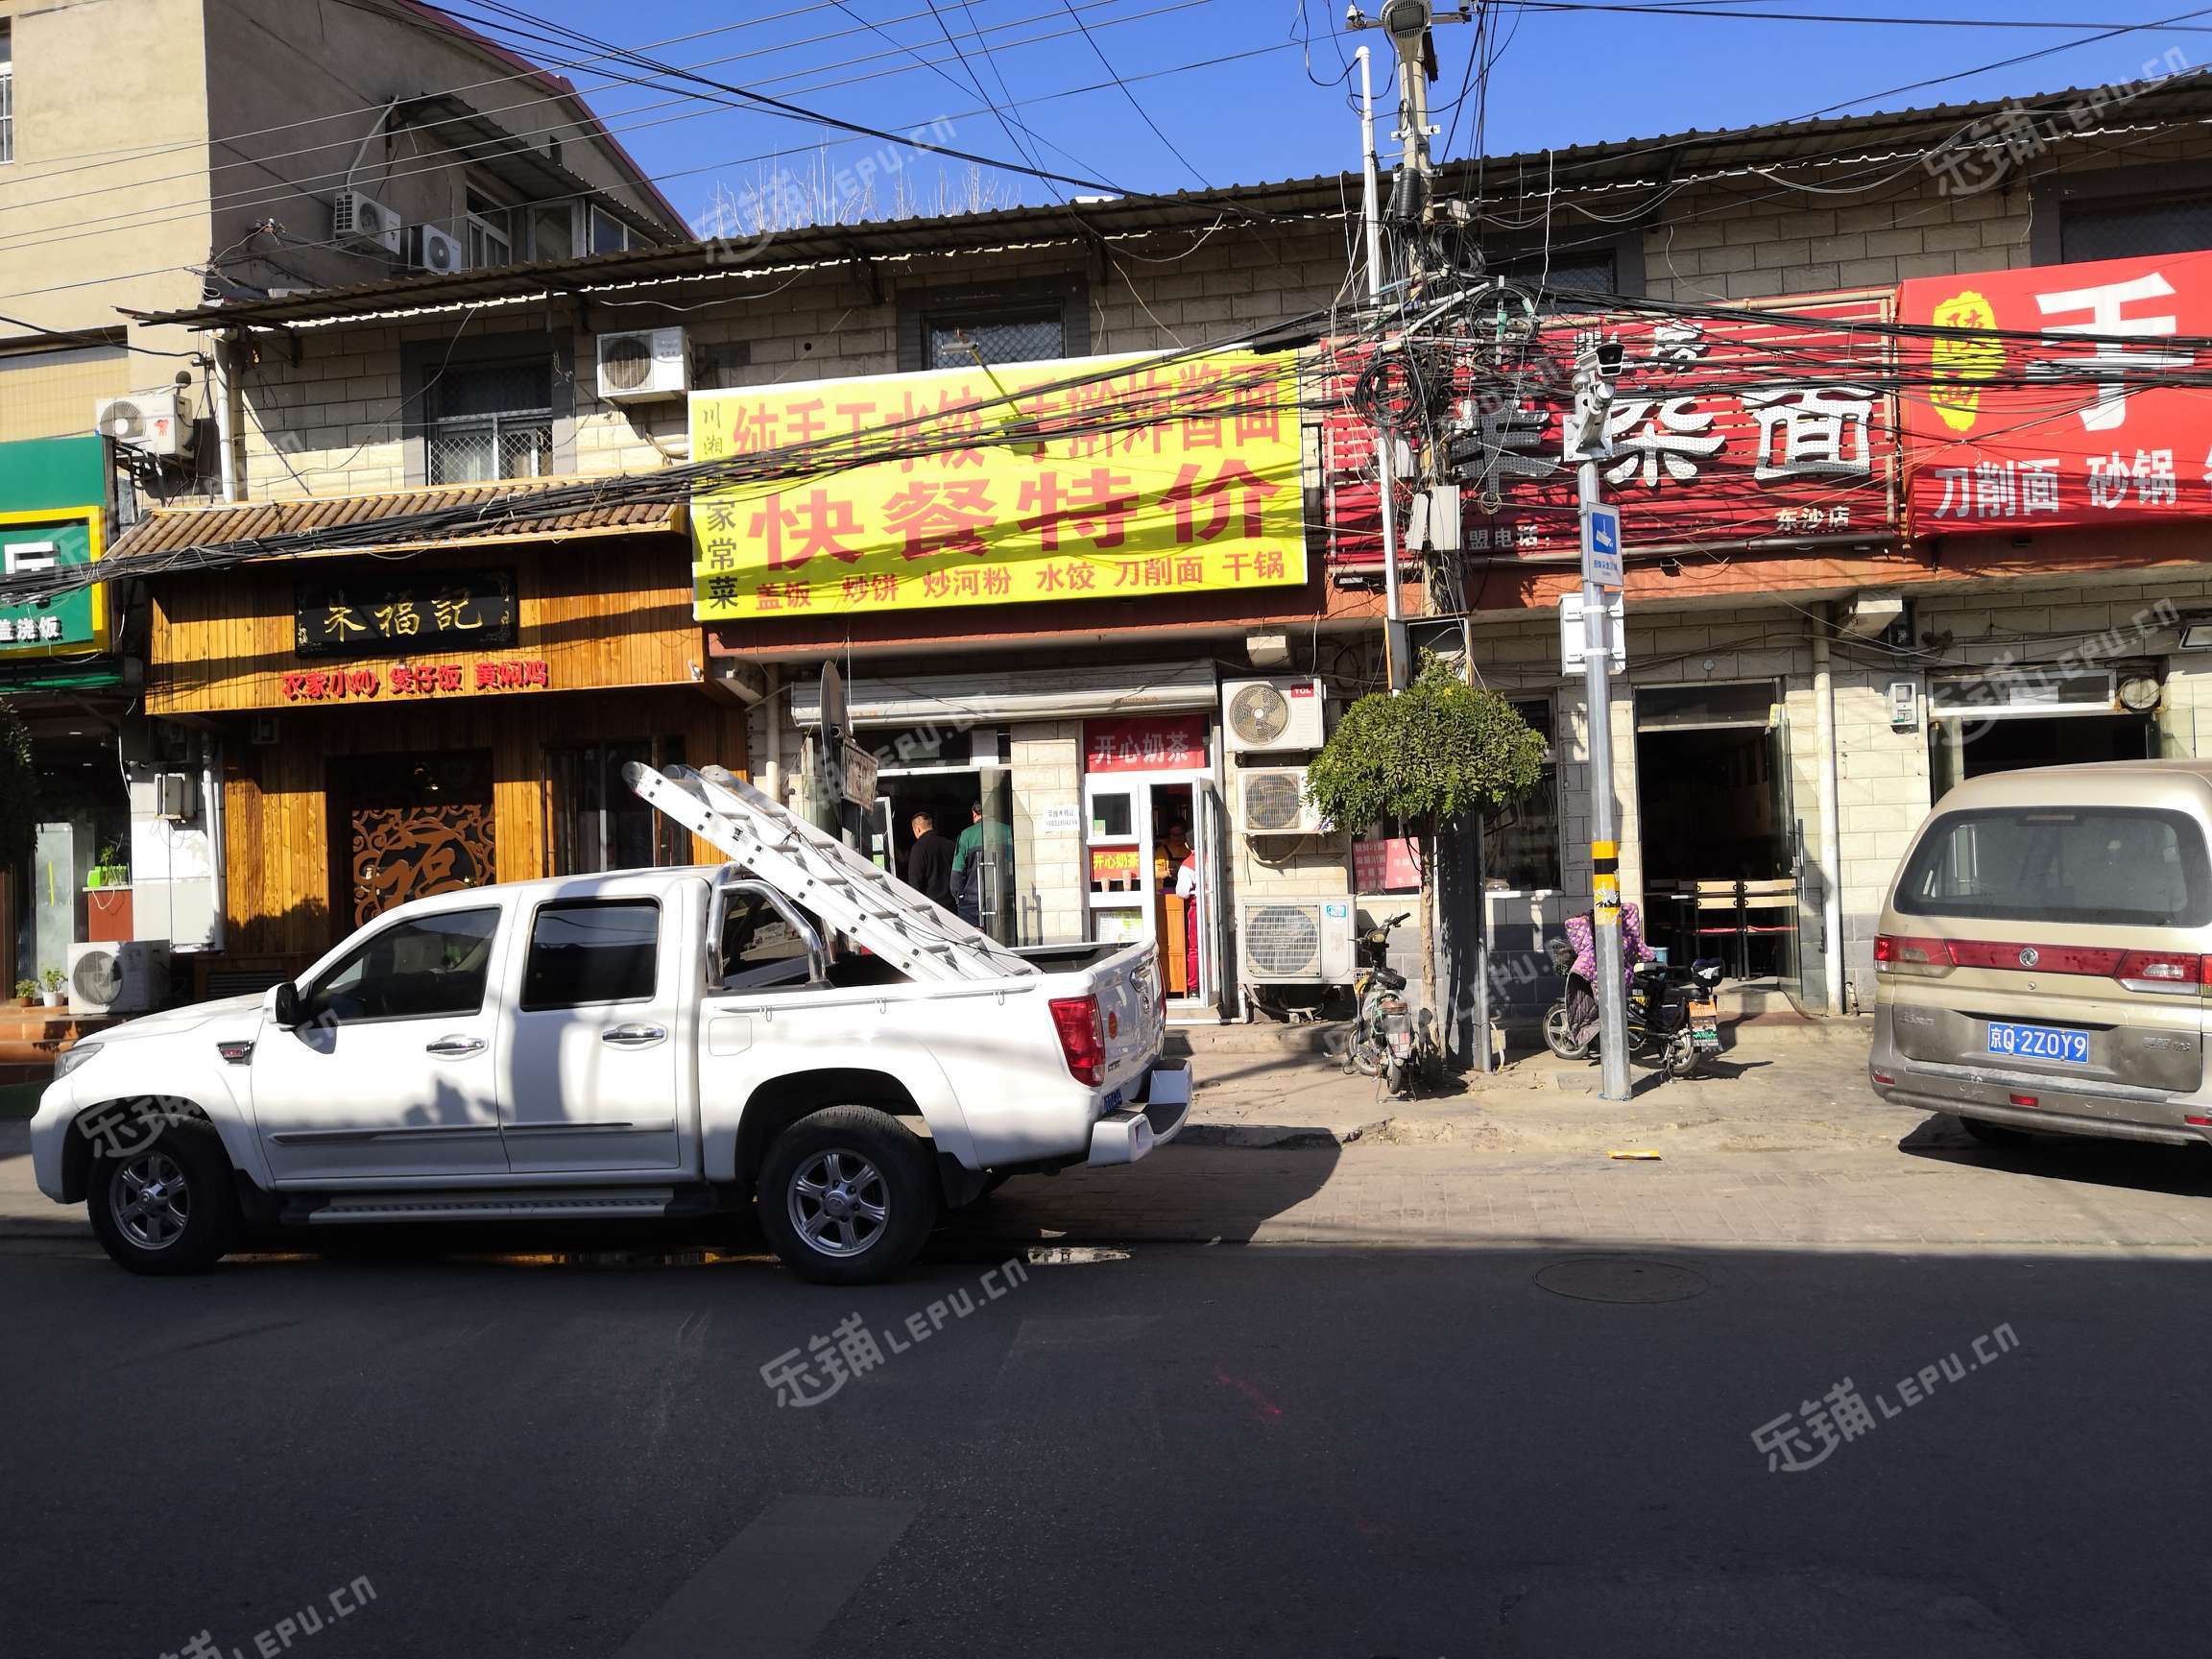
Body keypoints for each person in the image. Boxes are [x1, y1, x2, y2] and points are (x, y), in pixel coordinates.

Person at [1562, 902, 1657, 1047]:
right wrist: (1652, 958)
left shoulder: (1592, 944)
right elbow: (1641, 950)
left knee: (1596, 1006)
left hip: (1594, 977)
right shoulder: (1624, 938)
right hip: (1614, 977)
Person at [951, 801, 1013, 926]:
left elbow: (957, 873)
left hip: (972, 901)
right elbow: (1012, 865)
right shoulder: (1007, 831)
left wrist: (959, 897)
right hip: (1003, 897)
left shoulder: (966, 835)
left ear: (974, 813)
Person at [905, 811, 957, 910]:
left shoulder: (918, 848)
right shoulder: (950, 845)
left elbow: (915, 882)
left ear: (917, 829)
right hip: (951, 904)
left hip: (930, 907)